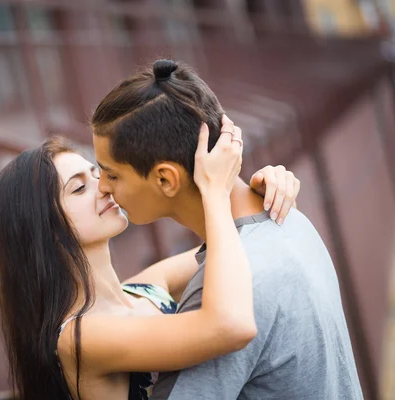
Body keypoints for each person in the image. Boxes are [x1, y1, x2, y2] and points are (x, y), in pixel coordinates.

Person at [90, 59, 363, 400]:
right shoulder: (286, 218)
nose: (101, 187)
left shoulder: (221, 293)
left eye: (111, 174)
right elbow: (177, 270)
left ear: (165, 178)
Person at [0, 120, 300, 399]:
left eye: (100, 174)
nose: (105, 187)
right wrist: (214, 193)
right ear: (46, 231)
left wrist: (263, 192)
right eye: (80, 188)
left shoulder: (146, 287)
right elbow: (231, 327)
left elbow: (237, 243)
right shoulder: (79, 339)